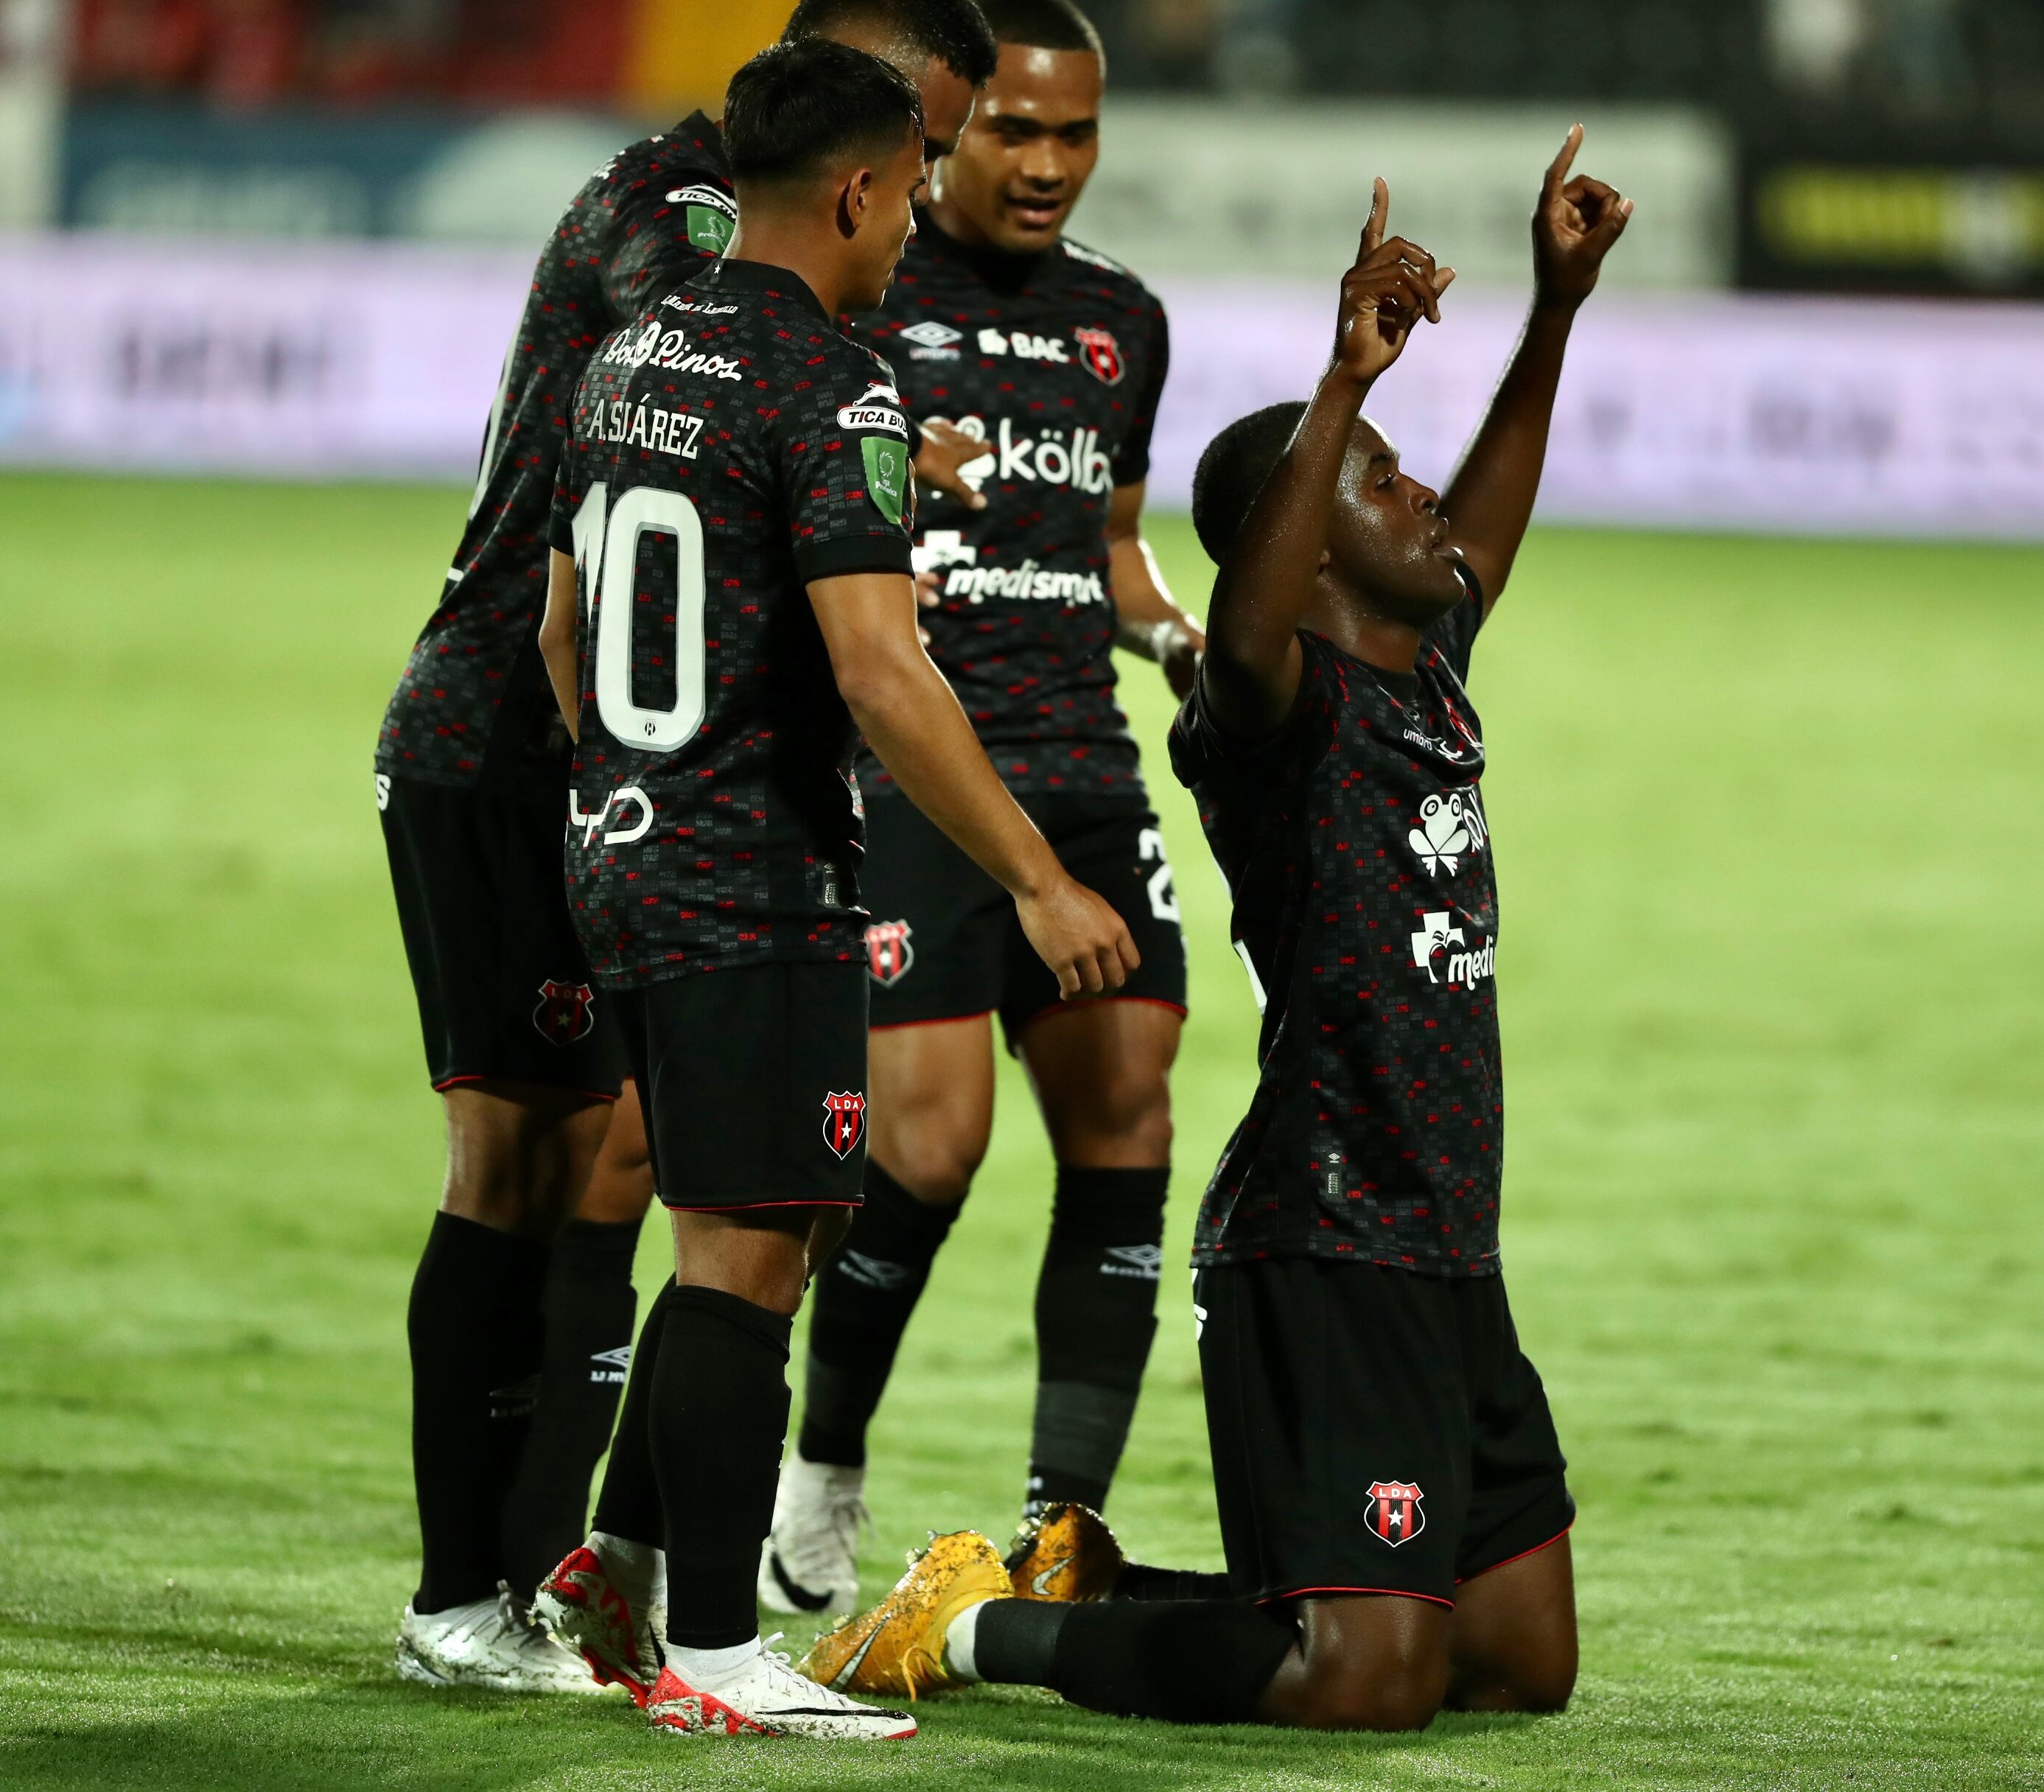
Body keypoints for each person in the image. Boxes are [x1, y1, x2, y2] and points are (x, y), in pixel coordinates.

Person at [803, 130, 1634, 1732]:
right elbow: (1246, 621)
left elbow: (1489, 524)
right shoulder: (1269, 714)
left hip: (1445, 1237)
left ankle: (1097, 1589)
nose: (1427, 503)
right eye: (1385, 484)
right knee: (1366, 1684)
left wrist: (1556, 307)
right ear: (1307, 546)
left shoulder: (1420, 665)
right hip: (1325, 1239)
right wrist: (1339, 389)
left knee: (1521, 1664)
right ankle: (974, 1628)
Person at [372, 0, 995, 1692]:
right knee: (534, 1169)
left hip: (609, 754)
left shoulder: (677, 218)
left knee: (656, 1172)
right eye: (920, 136)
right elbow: (705, 439)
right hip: (519, 744)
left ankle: (594, 1571)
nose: (925, 186)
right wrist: (854, 484)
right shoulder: (689, 229)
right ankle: (474, 1597)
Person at [523, 38, 1137, 1740]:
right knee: (751, 1252)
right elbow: (884, 674)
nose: (914, 223)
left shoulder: (635, 346)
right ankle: (718, 1650)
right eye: (912, 188)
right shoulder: (831, 373)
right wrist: (1035, 881)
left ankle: (619, 1561)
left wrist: (625, 792)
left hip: (624, 848)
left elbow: (566, 631)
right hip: (751, 875)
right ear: (864, 188)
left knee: (755, 1216)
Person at [762, 0, 1208, 1621]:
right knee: (929, 1141)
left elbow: (1113, 542)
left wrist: (1176, 632)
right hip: (919, 768)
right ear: (942, 133)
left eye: (1076, 134)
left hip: (1083, 762)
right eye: (1014, 129)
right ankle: (826, 1456)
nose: (1045, 165)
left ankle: (1060, 1528)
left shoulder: (1121, 320)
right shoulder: (862, 285)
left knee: (1132, 1114)